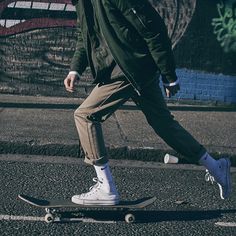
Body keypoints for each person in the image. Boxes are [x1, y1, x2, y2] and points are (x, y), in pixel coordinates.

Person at [64, 0, 232, 205]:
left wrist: (169, 74)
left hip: (129, 68)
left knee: (85, 115)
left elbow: (153, 27)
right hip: (131, 67)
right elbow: (86, 34)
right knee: (163, 124)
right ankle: (216, 167)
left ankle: (106, 187)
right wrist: (75, 69)